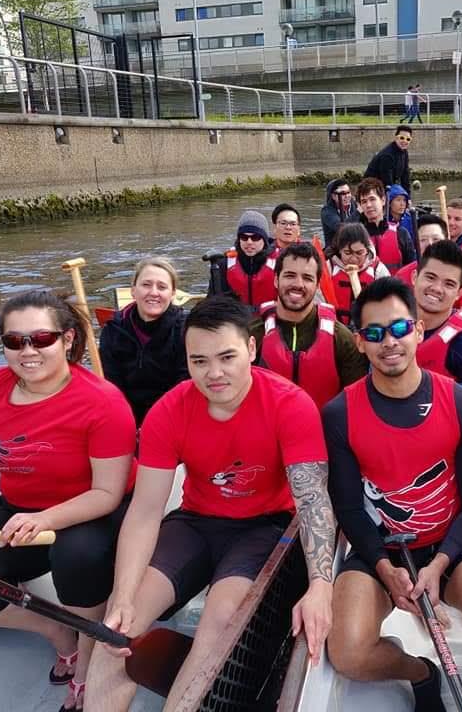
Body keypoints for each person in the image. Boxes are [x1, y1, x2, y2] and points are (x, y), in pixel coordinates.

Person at [85, 296, 337, 712]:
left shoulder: (291, 405)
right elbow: (146, 510)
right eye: (199, 361)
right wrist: (125, 595)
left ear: (251, 351)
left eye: (227, 357)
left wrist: (320, 587)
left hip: (264, 526)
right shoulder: (169, 410)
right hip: (195, 523)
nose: (214, 374)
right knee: (118, 627)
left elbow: (312, 502)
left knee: (218, 622)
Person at [0, 290, 136, 712]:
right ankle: (56, 632)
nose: (27, 351)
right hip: (20, 510)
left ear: (68, 339)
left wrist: (46, 518)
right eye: (14, 342)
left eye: (41, 339)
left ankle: (86, 659)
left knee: (79, 555)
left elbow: (107, 493)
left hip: (91, 510)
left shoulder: (103, 403)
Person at [323, 277, 462, 712]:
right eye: (374, 334)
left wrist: (439, 564)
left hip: (452, 547)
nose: (388, 342)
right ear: (359, 342)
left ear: (416, 330)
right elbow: (350, 508)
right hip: (381, 550)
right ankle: (419, 673)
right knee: (348, 652)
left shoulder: (461, 405)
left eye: (398, 329)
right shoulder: (339, 413)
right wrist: (383, 566)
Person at [251, 242, 368, 406]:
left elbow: (357, 401)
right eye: (290, 275)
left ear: (317, 285)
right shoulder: (252, 336)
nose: (298, 284)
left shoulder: (342, 340)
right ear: (276, 280)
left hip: (324, 429)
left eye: (307, 278)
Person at [100, 257, 189, 427]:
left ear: (172, 294)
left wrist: (156, 424)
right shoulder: (113, 330)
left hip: (173, 417)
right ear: (133, 291)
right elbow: (113, 385)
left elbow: (184, 385)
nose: (154, 292)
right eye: (146, 285)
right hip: (127, 417)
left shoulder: (185, 330)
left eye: (162, 287)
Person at [413, 241, 462, 405]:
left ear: (459, 293)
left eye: (449, 284)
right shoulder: (389, 330)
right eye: (430, 277)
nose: (437, 288)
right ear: (414, 277)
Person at [395, 213, 462, 320]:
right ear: (414, 277)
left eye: (435, 239)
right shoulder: (402, 275)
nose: (430, 244)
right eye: (423, 240)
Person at [325, 223, 390, 326]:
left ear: (367, 250)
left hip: (368, 324)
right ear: (339, 250)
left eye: (359, 253)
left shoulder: (378, 270)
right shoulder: (328, 268)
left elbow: (388, 300)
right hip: (336, 325)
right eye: (347, 253)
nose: (353, 259)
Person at [215, 209, 277, 311]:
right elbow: (215, 299)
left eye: (255, 237)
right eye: (244, 237)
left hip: (268, 318)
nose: (249, 242)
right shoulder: (223, 264)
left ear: (265, 240)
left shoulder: (280, 263)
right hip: (236, 319)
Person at [357, 177, 415, 272]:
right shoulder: (356, 236)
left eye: (372, 199)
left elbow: (412, 268)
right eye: (364, 201)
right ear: (360, 206)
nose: (368, 205)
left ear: (383, 200)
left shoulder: (401, 233)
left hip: (396, 286)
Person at [364, 126, 412, 191]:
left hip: (384, 186)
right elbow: (387, 182)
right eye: (402, 138)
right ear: (396, 138)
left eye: (408, 139)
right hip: (370, 188)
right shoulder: (387, 155)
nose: (404, 141)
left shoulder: (404, 152)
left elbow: (405, 176)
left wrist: (408, 197)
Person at [321, 178, 359, 248]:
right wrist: (358, 212)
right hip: (334, 249)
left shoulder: (355, 204)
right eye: (343, 193)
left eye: (348, 192)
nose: (347, 196)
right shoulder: (327, 211)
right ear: (333, 196)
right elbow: (341, 228)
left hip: (356, 244)